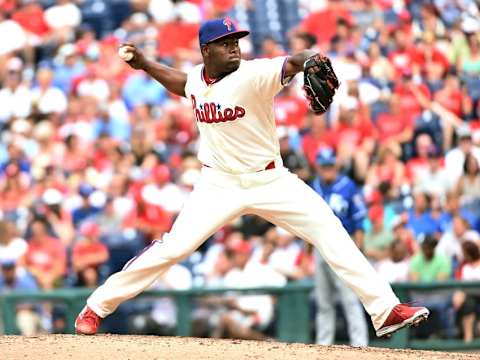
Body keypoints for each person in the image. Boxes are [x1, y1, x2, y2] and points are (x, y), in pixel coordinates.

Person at [75, 17, 429, 338]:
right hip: (218, 185)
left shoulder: (254, 74)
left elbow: (292, 60)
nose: (234, 47)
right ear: (205, 51)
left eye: (237, 41)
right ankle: (97, 306)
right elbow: (184, 85)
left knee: (330, 229)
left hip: (270, 181)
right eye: (226, 42)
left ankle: (385, 310)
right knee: (174, 247)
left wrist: (311, 59)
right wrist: (144, 64)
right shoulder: (199, 78)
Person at [310, 148, 369, 346]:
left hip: (344, 243)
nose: (328, 170)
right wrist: (307, 249)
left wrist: (358, 247)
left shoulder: (348, 186)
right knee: (323, 300)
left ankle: (359, 344)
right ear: (318, 167)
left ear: (336, 165)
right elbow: (307, 221)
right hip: (320, 245)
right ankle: (323, 344)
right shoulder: (314, 186)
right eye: (324, 166)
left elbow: (359, 218)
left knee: (349, 298)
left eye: (330, 166)